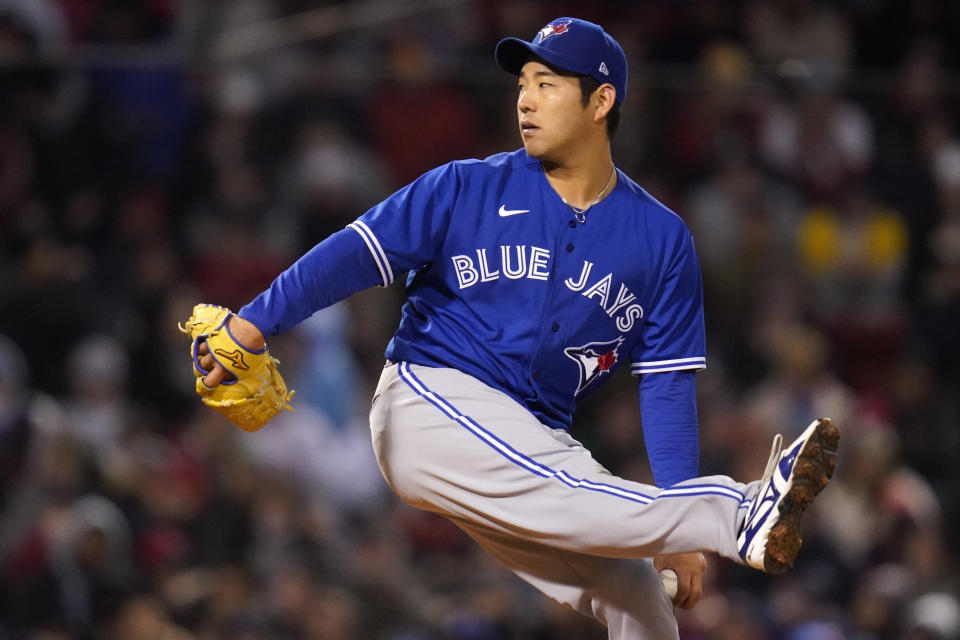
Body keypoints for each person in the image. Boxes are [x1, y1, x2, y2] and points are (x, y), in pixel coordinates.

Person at [192, 17, 838, 640]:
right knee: (591, 497)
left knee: (639, 597)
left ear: (600, 100)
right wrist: (255, 322)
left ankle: (701, 525)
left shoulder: (662, 240)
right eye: (523, 83)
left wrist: (668, 537)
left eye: (547, 85)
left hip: (531, 446)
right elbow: (354, 253)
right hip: (431, 401)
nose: (526, 100)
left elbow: (665, 389)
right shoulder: (466, 186)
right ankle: (735, 511)